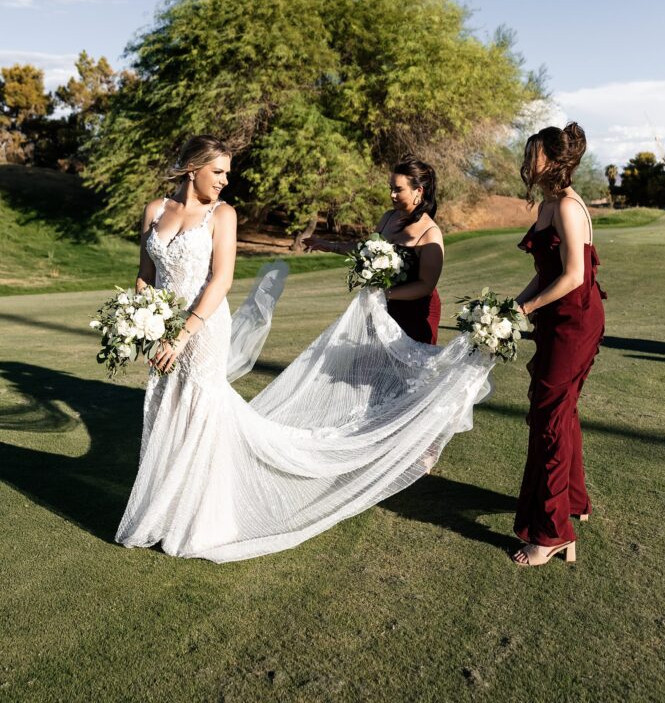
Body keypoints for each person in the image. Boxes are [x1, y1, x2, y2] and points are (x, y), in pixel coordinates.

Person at [116, 136, 494, 563]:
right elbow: (145, 274)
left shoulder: (223, 215)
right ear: (192, 169)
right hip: (163, 328)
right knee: (166, 405)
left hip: (203, 330)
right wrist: (146, 324)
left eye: (226, 172)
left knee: (202, 410)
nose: (225, 180)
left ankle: (204, 515)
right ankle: (162, 507)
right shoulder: (154, 211)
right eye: (218, 172)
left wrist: (183, 334)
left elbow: (220, 280)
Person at [512, 122, 606, 566]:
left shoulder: (567, 206)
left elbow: (573, 277)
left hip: (575, 320)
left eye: (533, 154)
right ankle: (573, 501)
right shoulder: (549, 203)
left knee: (550, 415)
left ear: (553, 159)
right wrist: (513, 306)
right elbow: (548, 272)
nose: (527, 161)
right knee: (560, 411)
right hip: (558, 317)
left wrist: (528, 311)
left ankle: (551, 534)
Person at [305, 158, 444, 344]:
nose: (392, 195)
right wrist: (328, 245)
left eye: (398, 190)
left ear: (418, 191)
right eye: (391, 188)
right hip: (382, 305)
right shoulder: (389, 217)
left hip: (414, 312)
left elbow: (426, 285)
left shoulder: (430, 233)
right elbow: (367, 249)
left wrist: (384, 294)